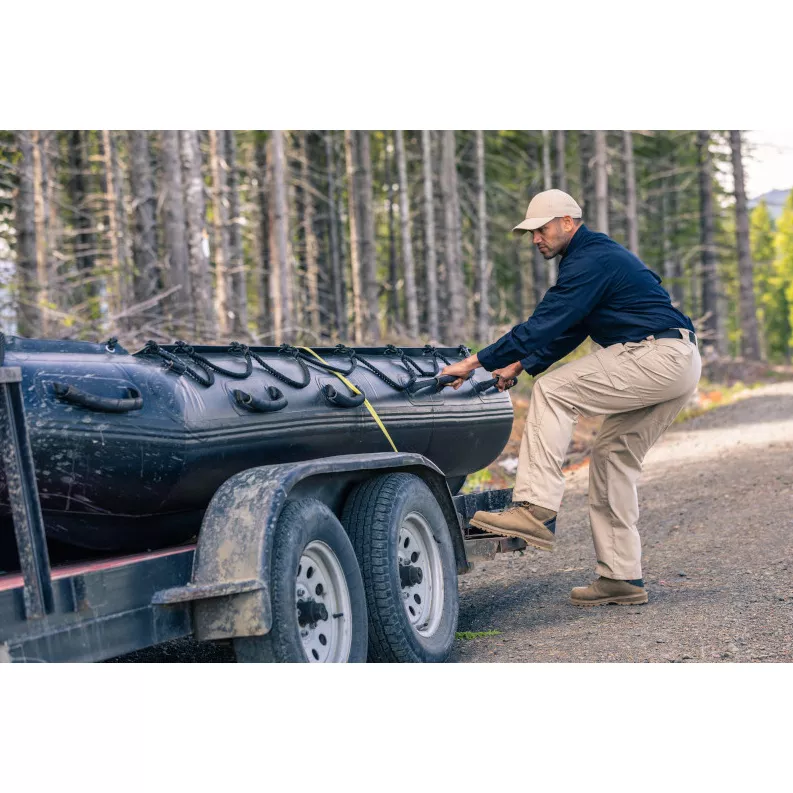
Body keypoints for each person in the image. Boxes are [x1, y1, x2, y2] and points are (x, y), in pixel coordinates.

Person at [440, 189, 701, 606]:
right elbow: (572, 327)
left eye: (541, 229)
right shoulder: (591, 258)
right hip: (678, 361)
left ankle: (534, 508)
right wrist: (520, 364)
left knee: (553, 391)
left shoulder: (588, 260)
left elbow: (546, 322)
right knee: (614, 459)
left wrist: (473, 362)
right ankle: (621, 577)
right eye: (531, 233)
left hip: (656, 355)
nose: (535, 239)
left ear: (566, 222)